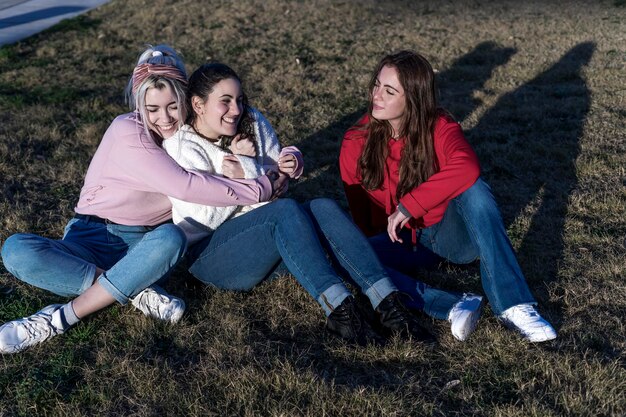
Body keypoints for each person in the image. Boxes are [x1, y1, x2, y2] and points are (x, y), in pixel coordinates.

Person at [0, 45, 278, 354]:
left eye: (173, 105)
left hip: (145, 246)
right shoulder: (127, 129)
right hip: (89, 235)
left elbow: (243, 153)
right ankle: (135, 290)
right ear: (138, 105)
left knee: (172, 238)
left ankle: (58, 319)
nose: (164, 118)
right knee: (16, 249)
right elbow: (185, 185)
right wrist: (259, 188)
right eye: (152, 108)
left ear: (187, 101)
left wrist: (285, 159)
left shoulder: (191, 135)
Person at [164, 62, 447, 346]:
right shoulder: (181, 147)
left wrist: (288, 161)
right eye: (224, 102)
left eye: (239, 100)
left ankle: (389, 305)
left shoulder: (250, 120)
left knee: (322, 206)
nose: (236, 110)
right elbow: (203, 218)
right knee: (285, 212)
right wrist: (250, 176)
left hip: (264, 238)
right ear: (199, 105)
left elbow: (278, 178)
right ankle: (341, 312)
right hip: (211, 255)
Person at [339, 50, 557, 343]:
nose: (376, 95)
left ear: (413, 98)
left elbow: (466, 165)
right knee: (347, 257)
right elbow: (361, 215)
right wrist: (374, 255)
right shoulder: (355, 141)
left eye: (389, 91)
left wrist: (409, 206)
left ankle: (514, 304)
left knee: (473, 188)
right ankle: (454, 304)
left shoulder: (438, 125)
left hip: (446, 234)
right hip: (396, 240)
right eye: (376, 85)